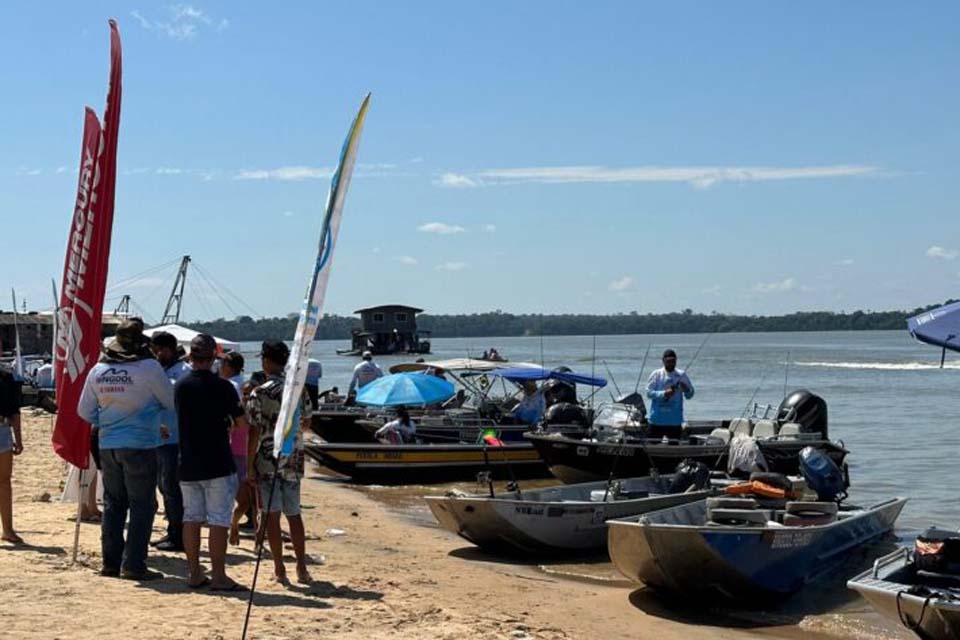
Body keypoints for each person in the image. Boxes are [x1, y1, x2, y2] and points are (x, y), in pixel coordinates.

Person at [77, 318, 174, 580]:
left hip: (108, 444)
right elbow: (169, 400)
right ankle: (133, 564)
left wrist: (109, 421)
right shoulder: (150, 368)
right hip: (141, 444)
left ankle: (111, 562)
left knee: (113, 504)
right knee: (142, 505)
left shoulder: (98, 370)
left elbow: (84, 411)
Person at [175, 335, 247, 590]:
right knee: (218, 520)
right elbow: (241, 424)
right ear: (214, 357)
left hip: (189, 460)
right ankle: (218, 575)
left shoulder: (181, 385)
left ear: (191, 357)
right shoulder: (224, 386)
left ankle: (194, 572)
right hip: (218, 459)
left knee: (191, 517)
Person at [247, 340, 313, 584]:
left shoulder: (259, 392)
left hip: (267, 461)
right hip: (292, 460)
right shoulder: (298, 389)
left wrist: (248, 466)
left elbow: (253, 431)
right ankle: (302, 567)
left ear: (265, 360)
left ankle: (279, 568)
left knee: (271, 516)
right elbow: (307, 422)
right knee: (294, 514)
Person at [149, 331, 190, 552]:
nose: (156, 355)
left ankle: (178, 535)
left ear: (169, 349)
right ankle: (172, 530)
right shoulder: (160, 370)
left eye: (159, 350)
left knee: (172, 488)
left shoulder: (183, 372)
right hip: (157, 437)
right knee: (163, 487)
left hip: (174, 438)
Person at [219, 352, 254, 545]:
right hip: (239, 447)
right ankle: (234, 525)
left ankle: (233, 524)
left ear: (229, 366)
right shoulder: (239, 384)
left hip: (240, 447)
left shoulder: (233, 386)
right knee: (243, 495)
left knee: (241, 495)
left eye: (222, 364)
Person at [645, 349, 695, 439]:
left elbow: (690, 395)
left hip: (674, 421)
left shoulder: (681, 375)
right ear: (663, 361)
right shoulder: (656, 374)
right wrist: (664, 393)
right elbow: (649, 393)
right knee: (652, 445)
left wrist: (686, 389)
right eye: (668, 361)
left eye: (673, 361)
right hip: (657, 421)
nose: (671, 364)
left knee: (675, 446)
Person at [0, 366, 24, 544]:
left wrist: (19, 438)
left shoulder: (7, 377)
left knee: (4, 483)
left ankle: (7, 529)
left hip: (2, 429)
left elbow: (15, 410)